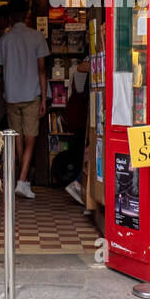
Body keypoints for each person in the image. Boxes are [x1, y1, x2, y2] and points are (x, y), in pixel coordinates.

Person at [0, 0, 49, 199]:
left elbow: (1, 70)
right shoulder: (37, 37)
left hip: (11, 94)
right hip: (31, 93)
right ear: (27, 14)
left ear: (10, 16)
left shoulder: (5, 40)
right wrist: (44, 98)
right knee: (30, 139)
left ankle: (23, 179)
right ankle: (22, 181)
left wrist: (4, 91)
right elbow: (42, 70)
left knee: (17, 137)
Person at [64, 58, 90, 206]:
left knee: (82, 151)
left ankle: (79, 183)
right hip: (81, 118)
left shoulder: (78, 71)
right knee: (84, 151)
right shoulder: (81, 69)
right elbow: (82, 69)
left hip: (79, 118)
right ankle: (78, 184)